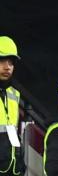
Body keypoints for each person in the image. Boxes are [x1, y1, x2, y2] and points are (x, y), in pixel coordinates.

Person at [0, 36, 20, 175]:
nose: (7, 67)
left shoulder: (14, 95)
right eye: (2, 61)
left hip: (11, 168)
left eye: (11, 62)